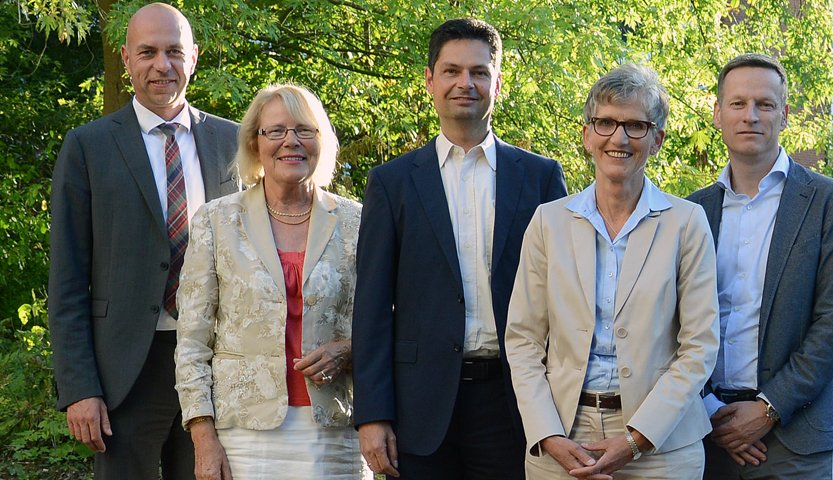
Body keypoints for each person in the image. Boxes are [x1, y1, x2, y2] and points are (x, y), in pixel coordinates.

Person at [352, 17, 567, 479]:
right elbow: (370, 305)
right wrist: (372, 414)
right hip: (420, 405)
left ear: (498, 82)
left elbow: (567, 297)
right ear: (430, 80)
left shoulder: (540, 177)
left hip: (515, 403)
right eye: (451, 71)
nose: (465, 83)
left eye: (479, 72)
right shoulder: (392, 182)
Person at [48, 3, 239, 478]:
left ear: (193, 57)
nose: (162, 65)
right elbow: (67, 279)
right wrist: (79, 387)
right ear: (127, 57)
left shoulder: (233, 142)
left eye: (174, 51)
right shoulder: (88, 147)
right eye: (148, 52)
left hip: (218, 361)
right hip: (124, 370)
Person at [505, 63, 720, 480]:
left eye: (636, 126)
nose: (618, 138)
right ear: (587, 134)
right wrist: (547, 434)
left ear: (657, 139)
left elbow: (699, 348)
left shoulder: (686, 223)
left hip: (662, 444)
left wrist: (637, 439)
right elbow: (523, 340)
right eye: (605, 122)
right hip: (563, 436)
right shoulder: (549, 222)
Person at [174, 84, 366, 480]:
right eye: (276, 131)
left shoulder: (358, 222)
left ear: (321, 140)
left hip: (335, 428)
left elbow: (390, 323)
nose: (290, 141)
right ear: (254, 142)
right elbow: (192, 342)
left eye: (304, 130)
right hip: (242, 435)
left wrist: (348, 349)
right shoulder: (216, 221)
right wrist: (203, 437)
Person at [687, 53, 833, 478]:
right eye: (738, 103)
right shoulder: (691, 212)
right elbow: (671, 322)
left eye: (765, 105)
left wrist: (769, 409)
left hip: (795, 439)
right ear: (717, 113)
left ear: (783, 115)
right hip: (705, 433)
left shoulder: (828, 202)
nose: (751, 115)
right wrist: (710, 409)